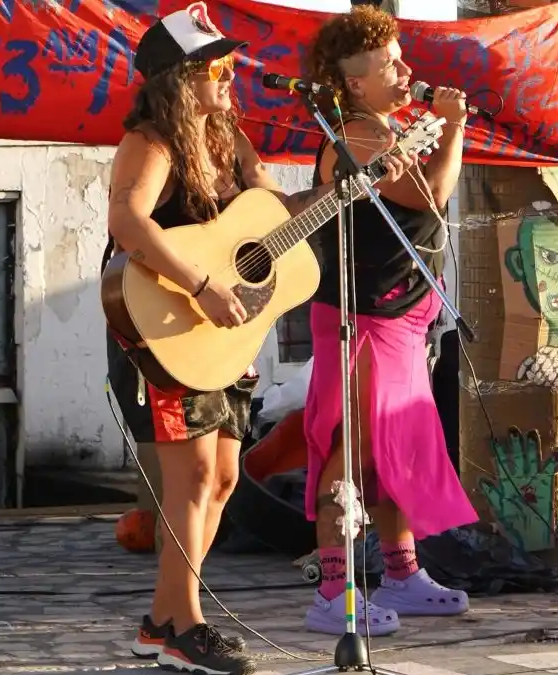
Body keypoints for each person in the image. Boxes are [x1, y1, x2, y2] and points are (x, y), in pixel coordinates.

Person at [103, 4, 407, 673]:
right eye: (217, 65)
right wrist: (201, 282)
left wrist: (337, 193)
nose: (231, 73)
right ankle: (188, 624)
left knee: (227, 477)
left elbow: (275, 215)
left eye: (231, 62)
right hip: (165, 328)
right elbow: (128, 219)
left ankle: (161, 620)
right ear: (178, 77)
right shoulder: (151, 142)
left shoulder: (229, 141)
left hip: (224, 336)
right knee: (195, 478)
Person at [299, 5, 476, 637]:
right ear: (353, 83)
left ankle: (401, 572)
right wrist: (451, 127)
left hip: (401, 318)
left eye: (401, 59)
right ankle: (331, 590)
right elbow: (432, 194)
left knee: (395, 450)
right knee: (353, 453)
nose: (405, 71)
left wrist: (438, 125)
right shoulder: (359, 134)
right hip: (362, 316)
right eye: (388, 65)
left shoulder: (387, 127)